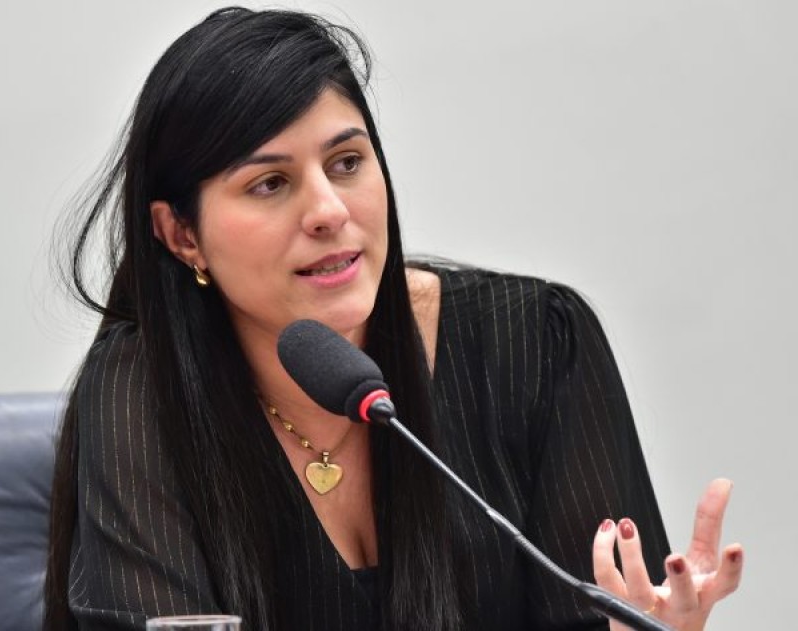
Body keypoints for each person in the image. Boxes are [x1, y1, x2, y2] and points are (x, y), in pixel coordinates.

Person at [44, 7, 743, 630]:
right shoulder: (144, 393)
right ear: (181, 235)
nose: (328, 210)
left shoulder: (536, 345)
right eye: (270, 183)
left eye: (347, 162)